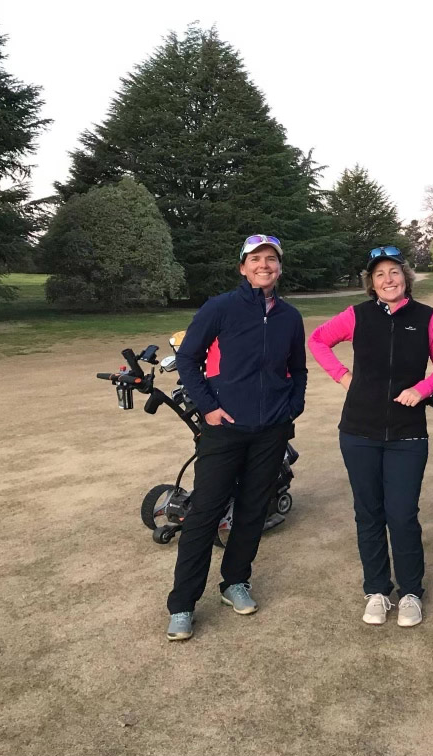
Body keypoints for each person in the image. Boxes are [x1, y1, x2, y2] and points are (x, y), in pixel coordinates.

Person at [307, 246, 433, 628]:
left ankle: (410, 593)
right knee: (369, 513)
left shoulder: (426, 317)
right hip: (358, 432)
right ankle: (376, 590)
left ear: (405, 277)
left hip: (408, 436)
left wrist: (421, 389)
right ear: (371, 284)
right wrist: (343, 376)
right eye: (379, 275)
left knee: (402, 515)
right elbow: (318, 340)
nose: (388, 279)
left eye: (394, 272)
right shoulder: (357, 315)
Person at [166, 234, 307, 641]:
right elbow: (188, 359)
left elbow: (298, 369)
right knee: (204, 513)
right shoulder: (220, 307)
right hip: (224, 429)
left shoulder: (289, 316)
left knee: (252, 510)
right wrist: (209, 408)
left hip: (271, 430)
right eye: (256, 259)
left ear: (279, 267)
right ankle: (182, 605)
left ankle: (235, 582)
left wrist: (292, 406)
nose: (265, 265)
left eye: (271, 259)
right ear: (243, 267)